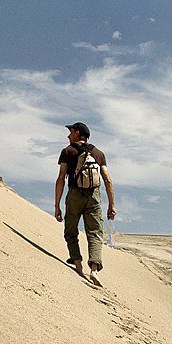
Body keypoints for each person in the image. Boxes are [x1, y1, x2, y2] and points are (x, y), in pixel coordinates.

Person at [54, 122, 116, 286]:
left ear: (77, 133)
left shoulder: (67, 151)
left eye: (70, 132)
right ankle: (94, 269)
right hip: (94, 196)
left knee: (71, 230)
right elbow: (108, 180)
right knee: (95, 232)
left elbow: (61, 178)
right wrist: (112, 205)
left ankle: (77, 261)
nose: (68, 136)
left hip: (74, 193)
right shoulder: (99, 153)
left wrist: (57, 205)